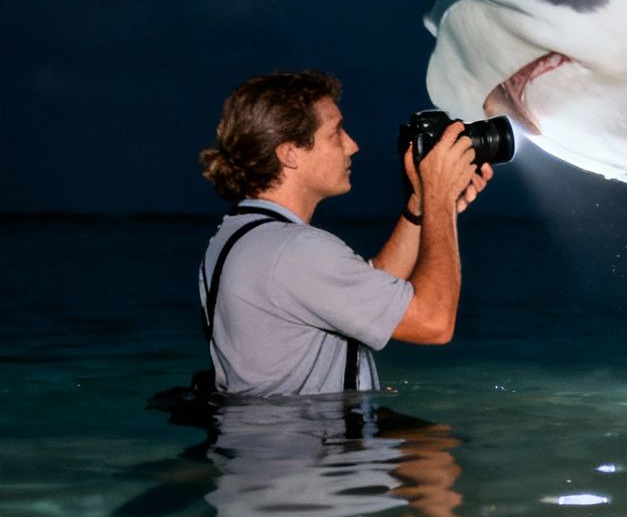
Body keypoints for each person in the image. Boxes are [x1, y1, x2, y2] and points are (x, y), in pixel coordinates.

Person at [196, 70, 490, 396]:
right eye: (336, 132)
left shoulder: (241, 236)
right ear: (289, 152)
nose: (352, 145)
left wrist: (421, 205)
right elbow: (434, 322)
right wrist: (441, 200)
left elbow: (368, 290)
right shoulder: (294, 251)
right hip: (313, 444)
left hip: (276, 441)